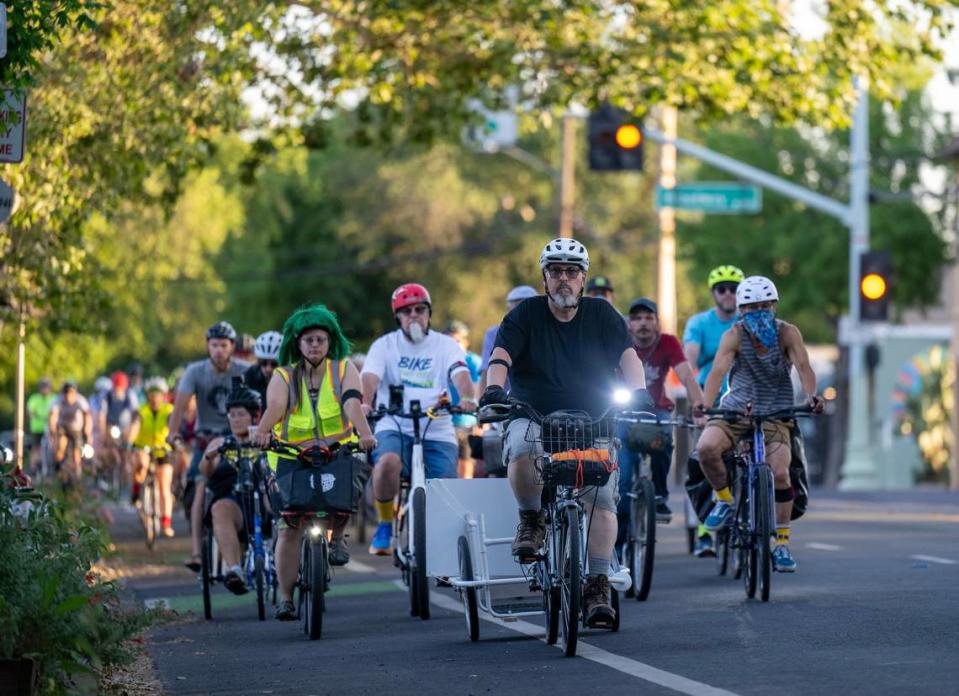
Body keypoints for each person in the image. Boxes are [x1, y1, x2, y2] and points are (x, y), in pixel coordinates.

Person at [481, 238, 651, 628]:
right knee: (522, 447)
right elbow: (501, 356)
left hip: (594, 418)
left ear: (583, 278)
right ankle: (532, 520)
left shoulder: (602, 314)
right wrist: (494, 388)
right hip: (534, 414)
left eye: (571, 272)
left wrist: (639, 391)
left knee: (602, 499)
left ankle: (596, 584)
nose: (563, 279)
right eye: (555, 271)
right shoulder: (525, 314)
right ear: (544, 277)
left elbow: (629, 357)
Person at [250, 304, 377, 619]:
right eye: (308, 340)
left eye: (321, 339)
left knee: (347, 490)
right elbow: (276, 405)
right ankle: (285, 596)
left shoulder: (344, 369)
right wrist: (263, 432)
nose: (315, 345)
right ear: (297, 344)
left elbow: (351, 402)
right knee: (289, 526)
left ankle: (337, 539)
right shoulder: (282, 375)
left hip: (337, 450)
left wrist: (365, 433)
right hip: (291, 453)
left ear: (330, 341)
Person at [695, 276, 824, 573]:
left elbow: (804, 367)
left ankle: (781, 544)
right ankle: (725, 500)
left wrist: (812, 396)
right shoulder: (734, 336)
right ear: (741, 310)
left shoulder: (787, 334)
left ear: (775, 306)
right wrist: (705, 403)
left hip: (777, 412)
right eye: (752, 307)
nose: (759, 311)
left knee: (780, 473)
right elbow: (717, 372)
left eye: (765, 306)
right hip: (736, 410)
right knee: (706, 448)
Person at [361, 283, 477, 556]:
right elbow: (370, 378)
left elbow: (460, 374)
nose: (414, 315)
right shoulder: (384, 345)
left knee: (445, 490)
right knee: (387, 463)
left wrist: (468, 398)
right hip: (394, 422)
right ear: (398, 317)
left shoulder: (445, 344)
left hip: (436, 426)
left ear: (428, 314)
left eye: (420, 310)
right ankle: (386, 524)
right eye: (407, 311)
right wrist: (366, 401)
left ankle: (445, 550)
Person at [617, 297, 705, 547]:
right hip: (623, 411)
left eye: (648, 318)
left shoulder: (668, 342)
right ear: (628, 324)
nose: (643, 323)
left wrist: (699, 407)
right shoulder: (618, 341)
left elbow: (687, 376)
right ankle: (617, 548)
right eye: (636, 318)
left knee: (665, 437)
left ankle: (658, 495)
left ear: (657, 323)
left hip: (657, 410)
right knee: (621, 485)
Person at [167, 321, 250, 571]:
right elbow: (180, 405)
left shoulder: (244, 371)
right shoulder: (195, 371)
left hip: (238, 438)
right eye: (214, 345)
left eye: (223, 345)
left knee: (249, 482)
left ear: (232, 347)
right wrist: (172, 432)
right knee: (201, 486)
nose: (218, 350)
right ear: (207, 346)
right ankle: (196, 552)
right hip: (206, 440)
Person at [682, 264, 744, 557]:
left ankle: (757, 511)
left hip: (746, 401)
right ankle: (706, 528)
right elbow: (690, 360)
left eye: (735, 289)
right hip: (711, 400)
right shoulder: (700, 323)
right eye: (723, 289)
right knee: (706, 456)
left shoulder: (750, 321)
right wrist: (698, 403)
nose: (729, 294)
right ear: (713, 293)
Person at [200, 383, 266, 595]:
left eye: (241, 414)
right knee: (219, 508)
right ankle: (235, 570)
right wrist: (210, 455)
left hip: (264, 499)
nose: (235, 419)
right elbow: (205, 471)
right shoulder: (221, 441)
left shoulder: (265, 438)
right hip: (234, 501)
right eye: (232, 414)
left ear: (254, 417)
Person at [129, 377, 176, 537]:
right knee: (140, 462)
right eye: (151, 394)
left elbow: (172, 426)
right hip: (144, 448)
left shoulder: (169, 410)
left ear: (163, 396)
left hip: (163, 450)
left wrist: (174, 438)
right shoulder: (141, 411)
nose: (154, 398)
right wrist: (129, 441)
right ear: (147, 396)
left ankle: (166, 522)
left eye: (158, 394)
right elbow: (135, 425)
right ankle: (136, 490)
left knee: (164, 486)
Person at [478, 285, 538, 393]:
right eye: (514, 310)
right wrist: (482, 403)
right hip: (504, 401)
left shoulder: (544, 332)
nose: (519, 315)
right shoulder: (494, 333)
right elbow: (486, 371)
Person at [444, 320, 482, 478]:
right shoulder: (441, 359)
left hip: (467, 423)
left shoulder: (473, 361)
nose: (453, 345)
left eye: (457, 341)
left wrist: (481, 421)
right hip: (444, 423)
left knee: (466, 468)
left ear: (466, 342)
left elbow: (479, 390)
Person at [47, 381, 93, 483]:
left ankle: (78, 475)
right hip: (62, 427)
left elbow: (88, 416)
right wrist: (53, 432)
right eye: (67, 393)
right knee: (60, 447)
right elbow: (53, 417)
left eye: (71, 392)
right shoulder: (57, 400)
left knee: (77, 453)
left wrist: (87, 432)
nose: (69, 395)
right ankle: (58, 470)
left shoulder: (81, 401)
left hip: (76, 429)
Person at [26, 378, 56, 474]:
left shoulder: (54, 398)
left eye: (46, 387)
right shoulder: (35, 398)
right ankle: (33, 467)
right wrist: (33, 415)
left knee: (53, 446)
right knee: (35, 448)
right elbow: (30, 410)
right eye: (43, 387)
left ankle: (53, 467)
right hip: (37, 428)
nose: (45, 389)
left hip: (50, 428)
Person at [244, 330, 282, 404]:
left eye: (274, 364)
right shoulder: (249, 376)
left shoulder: (292, 379)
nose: (268, 369)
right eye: (263, 363)